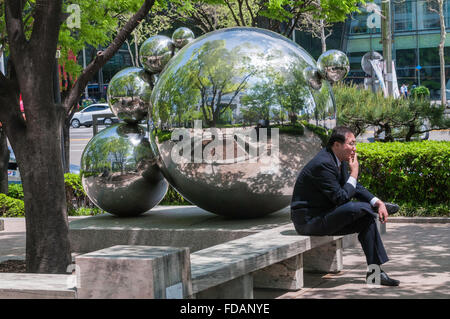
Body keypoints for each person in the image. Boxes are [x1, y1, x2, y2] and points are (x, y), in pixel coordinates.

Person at [290, 126, 400, 286]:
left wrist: (377, 201)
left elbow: (353, 186)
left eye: (355, 143)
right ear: (337, 145)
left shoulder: (337, 160)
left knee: (367, 219)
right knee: (353, 207)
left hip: (325, 216)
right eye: (351, 143)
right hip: (309, 221)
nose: (354, 148)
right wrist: (354, 172)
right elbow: (341, 198)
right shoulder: (323, 164)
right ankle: (373, 209)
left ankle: (375, 274)